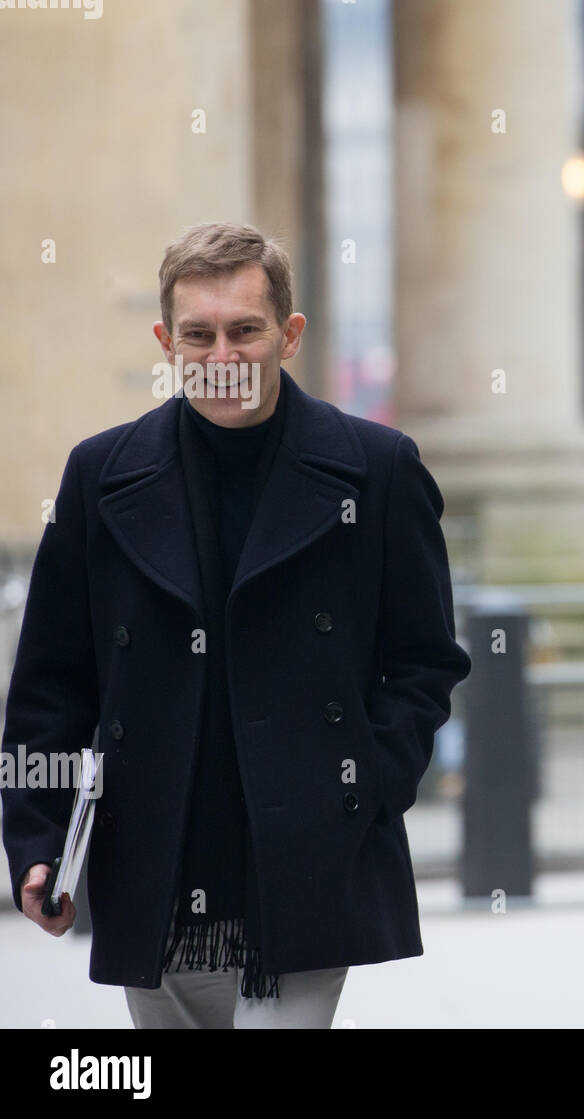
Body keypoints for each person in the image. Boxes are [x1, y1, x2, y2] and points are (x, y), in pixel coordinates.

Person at [1, 222, 471, 1028]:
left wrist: (362, 789)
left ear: (288, 335)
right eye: (199, 334)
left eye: (245, 330)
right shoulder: (99, 476)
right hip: (150, 858)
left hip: (307, 866)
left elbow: (425, 663)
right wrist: (38, 841)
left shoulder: (380, 469)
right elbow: (50, 684)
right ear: (166, 340)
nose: (223, 356)